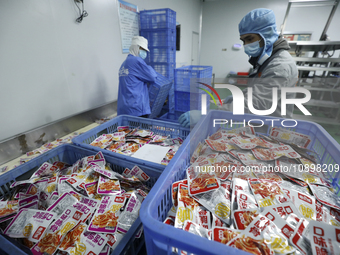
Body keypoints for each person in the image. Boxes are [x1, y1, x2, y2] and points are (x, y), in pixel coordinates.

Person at [178, 8, 298, 128]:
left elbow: (255, 105)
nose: (246, 45)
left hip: (273, 132)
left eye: (250, 39)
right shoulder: (267, 60)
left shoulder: (280, 66)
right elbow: (258, 90)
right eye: (243, 40)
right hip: (261, 126)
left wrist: (207, 115)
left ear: (267, 33)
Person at [117, 36, 157, 117]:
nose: (145, 52)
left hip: (124, 109)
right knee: (141, 130)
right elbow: (153, 77)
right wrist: (148, 67)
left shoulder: (124, 63)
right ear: (136, 48)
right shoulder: (137, 61)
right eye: (143, 49)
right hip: (136, 109)